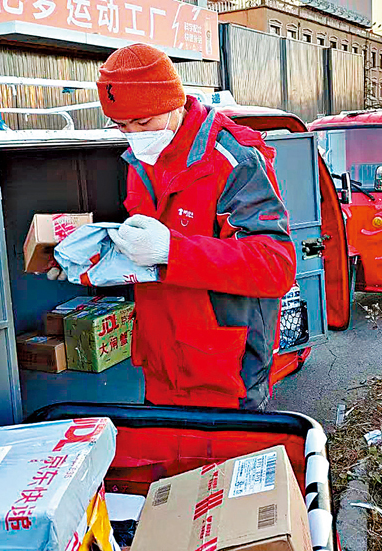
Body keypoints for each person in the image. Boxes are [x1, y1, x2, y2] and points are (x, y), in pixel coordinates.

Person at [48, 43, 295, 410]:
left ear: (174, 102)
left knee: (222, 466)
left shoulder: (233, 159)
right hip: (161, 362)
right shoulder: (139, 159)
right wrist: (90, 260)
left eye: (143, 122)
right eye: (121, 126)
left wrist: (171, 249)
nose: (134, 134)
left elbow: (275, 265)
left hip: (225, 371)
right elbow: (148, 259)